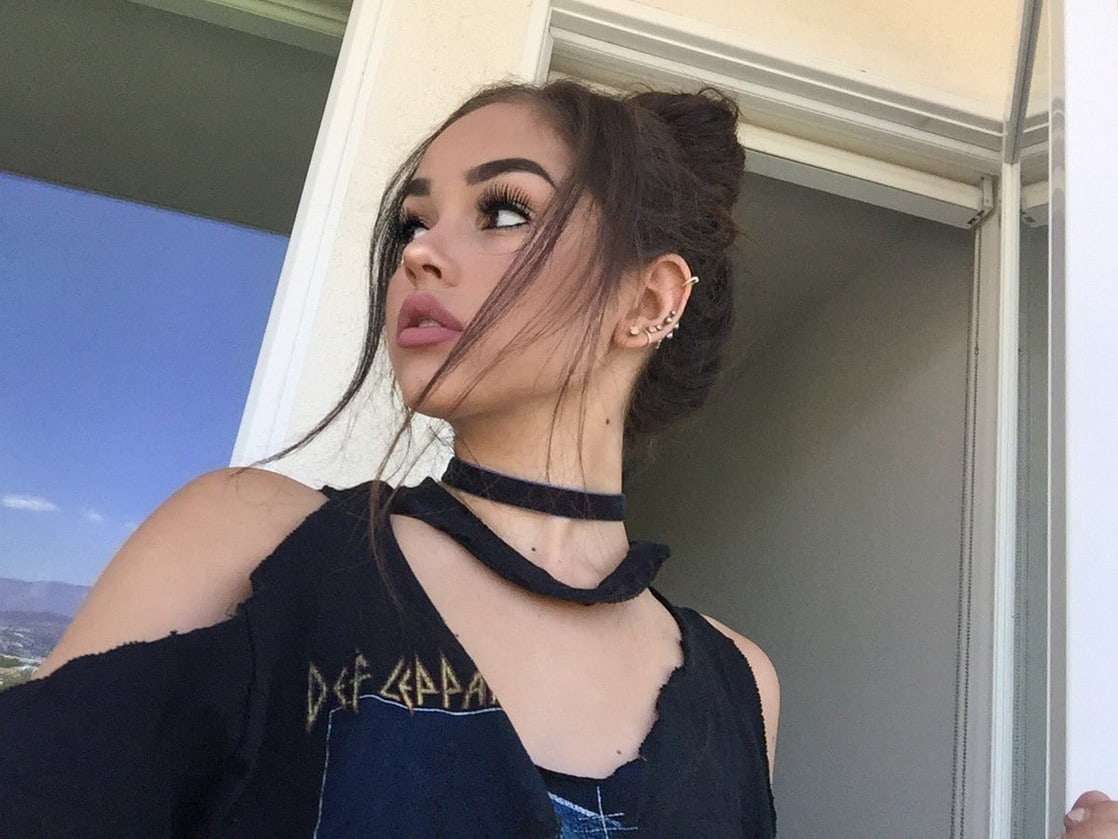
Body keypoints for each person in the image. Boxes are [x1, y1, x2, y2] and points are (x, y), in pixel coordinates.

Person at [0, 78, 1108, 839]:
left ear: (648, 298)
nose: (421, 252)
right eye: (412, 222)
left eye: (503, 209)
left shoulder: (737, 683)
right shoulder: (251, 541)